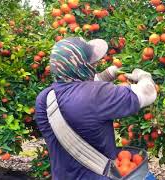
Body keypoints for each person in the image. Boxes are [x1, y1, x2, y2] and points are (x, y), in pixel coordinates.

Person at [35, 37, 157, 180]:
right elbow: (148, 93)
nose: (95, 64)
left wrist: (105, 76)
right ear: (81, 66)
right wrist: (144, 76)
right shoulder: (98, 94)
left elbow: (77, 92)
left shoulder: (44, 99)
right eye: (91, 63)